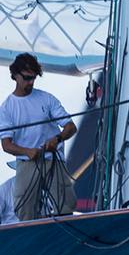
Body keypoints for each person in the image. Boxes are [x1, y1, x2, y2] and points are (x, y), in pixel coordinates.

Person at [0, 53, 77, 220]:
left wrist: (57, 139)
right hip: (27, 162)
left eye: (33, 78)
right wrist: (27, 151)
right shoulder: (6, 108)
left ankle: (67, 237)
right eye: (27, 78)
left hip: (52, 159)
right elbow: (6, 145)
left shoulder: (46, 99)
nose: (30, 82)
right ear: (15, 75)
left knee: (65, 204)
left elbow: (71, 127)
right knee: (24, 210)